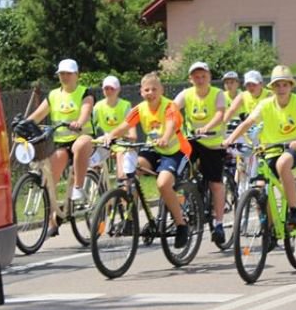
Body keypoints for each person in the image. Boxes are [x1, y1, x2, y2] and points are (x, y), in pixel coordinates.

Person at [99, 72, 192, 248]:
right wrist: (110, 136)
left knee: (163, 184)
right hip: (153, 149)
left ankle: (181, 225)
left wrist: (165, 137)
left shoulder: (169, 107)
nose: (150, 93)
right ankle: (130, 219)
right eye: (146, 90)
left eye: (154, 89)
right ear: (141, 92)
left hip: (175, 151)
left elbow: (171, 125)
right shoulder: (140, 108)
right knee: (131, 172)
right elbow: (125, 125)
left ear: (161, 90)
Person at [225, 65, 296, 229]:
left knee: (283, 163)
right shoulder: (265, 104)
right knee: (260, 187)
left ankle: (294, 210)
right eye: (277, 85)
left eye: (285, 84)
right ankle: (271, 229)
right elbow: (248, 122)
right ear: (272, 88)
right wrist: (229, 139)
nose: (281, 89)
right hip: (271, 149)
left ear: (291, 86)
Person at [23, 58, 95, 209]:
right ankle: (52, 219)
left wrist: (79, 123)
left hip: (83, 137)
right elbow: (37, 116)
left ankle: (78, 187)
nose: (65, 76)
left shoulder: (85, 93)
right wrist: (23, 125)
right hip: (61, 143)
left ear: (77, 75)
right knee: (50, 180)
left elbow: (85, 112)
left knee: (80, 146)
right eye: (62, 73)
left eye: (68, 73)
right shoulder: (53, 95)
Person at [174, 62, 229, 246]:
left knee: (215, 183)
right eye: (196, 76)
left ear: (209, 77)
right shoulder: (187, 94)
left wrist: (207, 127)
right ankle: (187, 195)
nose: (199, 79)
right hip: (192, 140)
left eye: (203, 76)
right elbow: (172, 109)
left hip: (213, 143)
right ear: (191, 79)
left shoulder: (217, 94)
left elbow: (220, 114)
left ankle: (219, 224)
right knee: (178, 169)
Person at [91, 75, 133, 182]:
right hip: (105, 142)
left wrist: (123, 136)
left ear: (118, 90)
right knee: (91, 162)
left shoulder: (125, 105)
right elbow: (90, 125)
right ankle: (99, 189)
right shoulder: (98, 106)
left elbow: (131, 128)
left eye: (112, 88)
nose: (109, 91)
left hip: (122, 141)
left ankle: (124, 192)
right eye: (106, 88)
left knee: (122, 173)